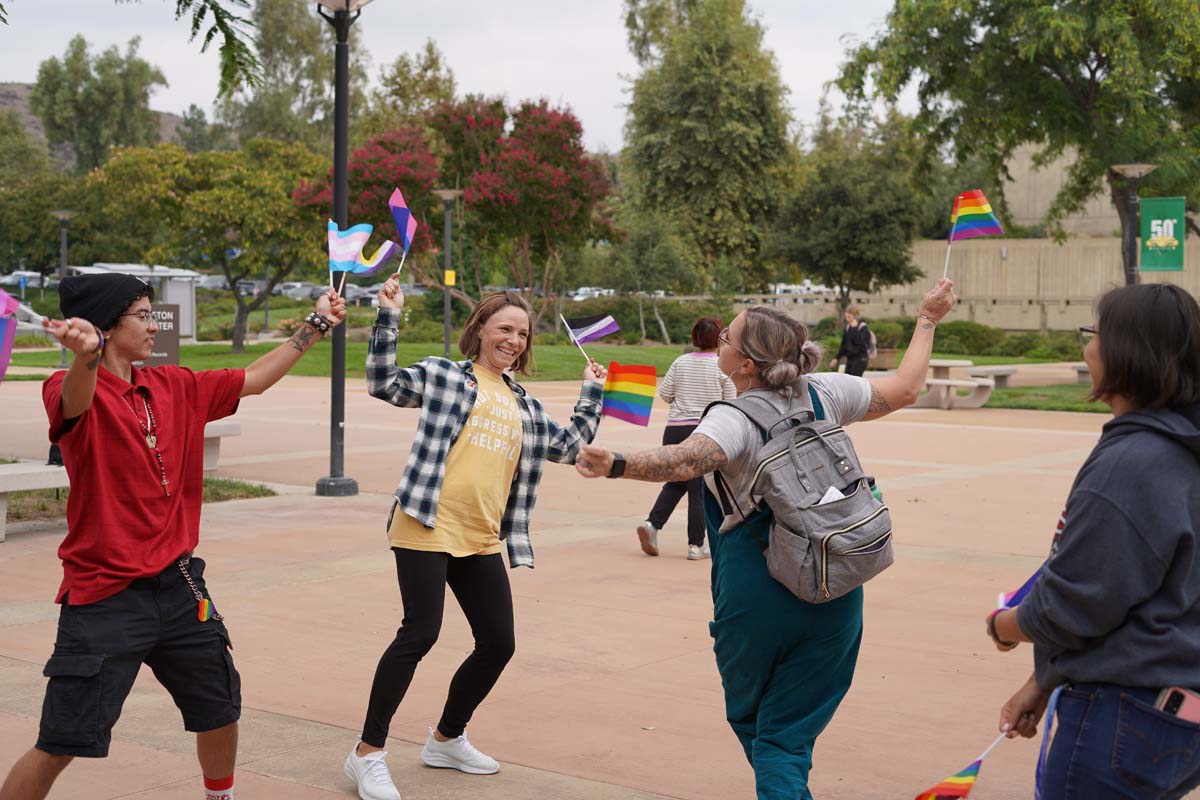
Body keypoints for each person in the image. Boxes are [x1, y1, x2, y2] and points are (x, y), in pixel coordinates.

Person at [575, 279, 957, 800]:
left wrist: (616, 462)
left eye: (728, 339)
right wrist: (928, 318)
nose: (721, 346)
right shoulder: (826, 392)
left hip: (758, 596)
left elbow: (687, 460)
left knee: (764, 733)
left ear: (746, 365)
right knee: (790, 733)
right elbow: (907, 388)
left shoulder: (734, 420)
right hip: (837, 581)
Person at [0, 273, 346, 800]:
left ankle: (219, 795)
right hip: (104, 597)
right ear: (108, 325)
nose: (154, 322)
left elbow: (253, 378)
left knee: (220, 708)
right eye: (142, 313)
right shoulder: (69, 387)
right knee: (61, 741)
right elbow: (76, 399)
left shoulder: (174, 385)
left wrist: (317, 323)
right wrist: (86, 357)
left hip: (181, 586)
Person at [344, 280, 607, 800]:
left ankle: (445, 739)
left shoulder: (524, 405)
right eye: (504, 328)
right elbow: (383, 383)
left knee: (498, 643)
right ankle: (367, 753)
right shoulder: (444, 375)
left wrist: (591, 391)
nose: (513, 339)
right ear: (481, 329)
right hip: (425, 521)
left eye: (522, 333)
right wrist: (388, 316)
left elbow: (567, 447)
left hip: (483, 535)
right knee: (419, 634)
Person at [987, 282, 1200, 799]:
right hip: (1173, 717)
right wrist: (1045, 681)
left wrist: (1004, 625)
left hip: (1124, 720)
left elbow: (1075, 603)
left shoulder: (1134, 463)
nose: (1087, 347)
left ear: (1128, 352)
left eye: (1093, 334)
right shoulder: (1181, 447)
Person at [636, 316, 735, 560]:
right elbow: (731, 401)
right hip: (705, 430)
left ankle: (652, 524)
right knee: (699, 488)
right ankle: (695, 544)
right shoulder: (721, 366)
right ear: (719, 338)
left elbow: (666, 394)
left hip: (675, 429)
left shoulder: (681, 362)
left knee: (676, 481)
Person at [828, 306, 872, 377]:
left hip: (860, 358)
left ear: (855, 316)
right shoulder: (848, 327)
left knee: (855, 380)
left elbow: (860, 342)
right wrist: (836, 358)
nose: (847, 319)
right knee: (848, 380)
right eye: (846, 317)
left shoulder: (863, 327)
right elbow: (844, 344)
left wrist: (854, 329)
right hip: (850, 358)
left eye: (849, 317)